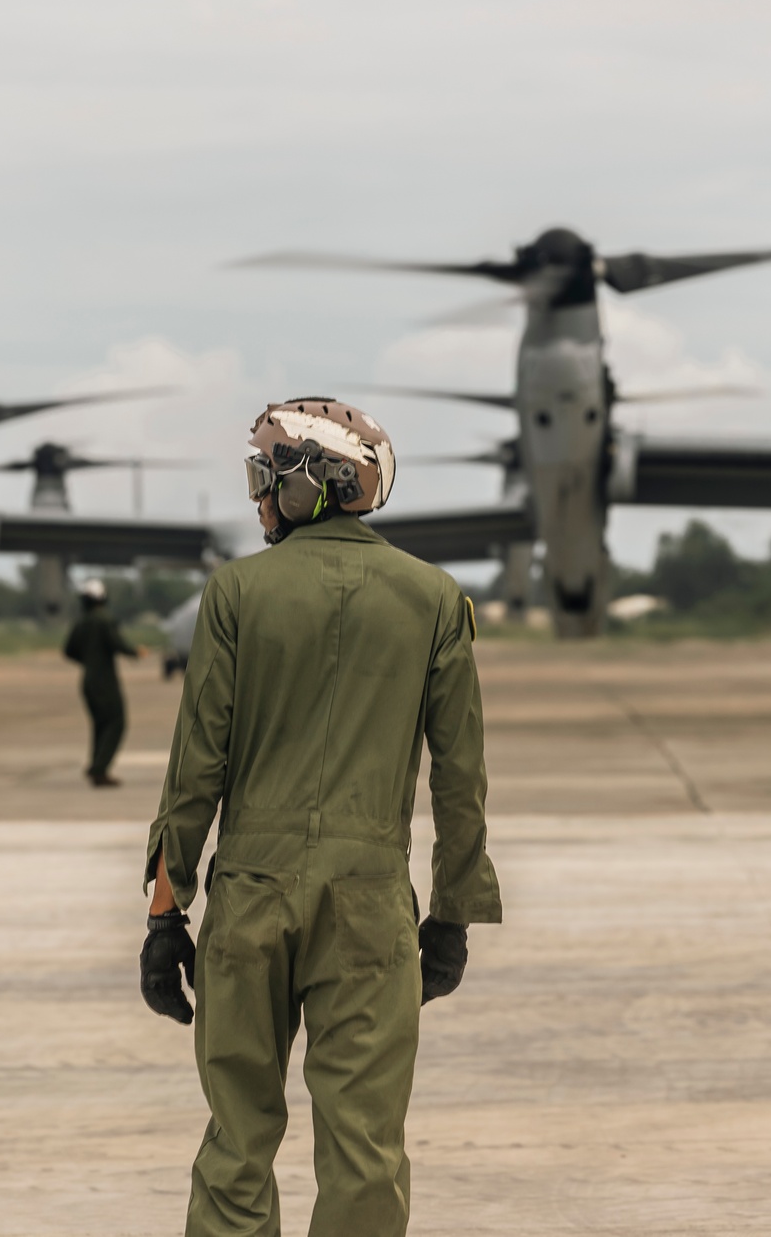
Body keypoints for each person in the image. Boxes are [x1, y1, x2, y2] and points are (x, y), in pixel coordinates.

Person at [140, 398, 502, 1237]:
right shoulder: (436, 599)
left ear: (313, 486)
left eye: (266, 481)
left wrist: (166, 914)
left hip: (251, 897)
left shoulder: (235, 593)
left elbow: (196, 772)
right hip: (372, 909)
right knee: (366, 1153)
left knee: (237, 1143)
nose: (258, 499)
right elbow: (460, 781)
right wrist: (451, 916)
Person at [63, 578, 142, 787]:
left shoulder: (81, 622)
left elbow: (68, 650)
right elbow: (116, 642)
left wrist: (88, 660)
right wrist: (134, 652)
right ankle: (99, 769)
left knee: (100, 724)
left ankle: (96, 768)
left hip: (88, 679)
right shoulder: (105, 619)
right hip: (105, 680)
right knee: (116, 722)